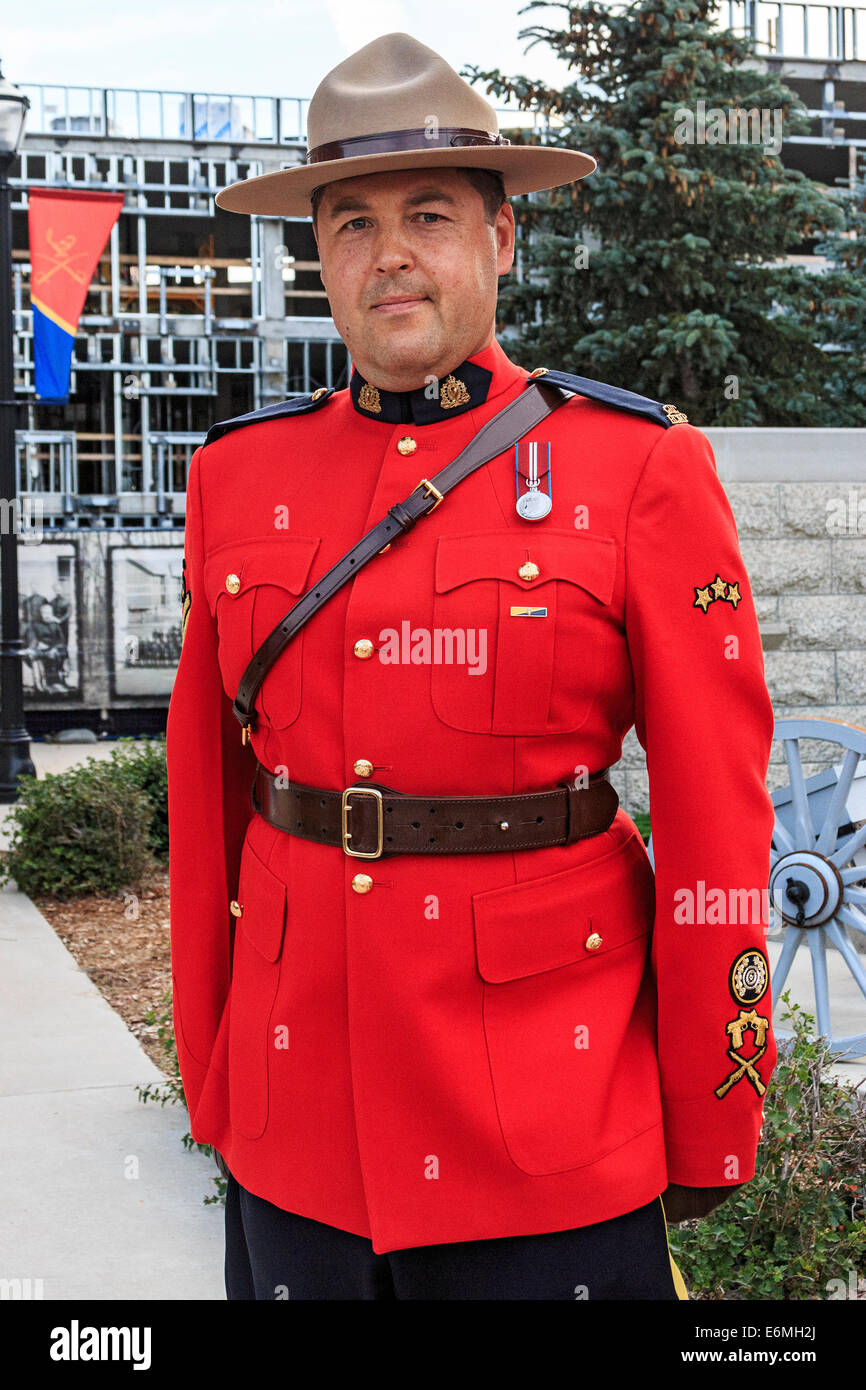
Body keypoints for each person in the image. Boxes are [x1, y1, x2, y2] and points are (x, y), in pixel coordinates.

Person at [166, 31, 777, 1301]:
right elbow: (206, 798)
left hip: (544, 1130)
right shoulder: (238, 478)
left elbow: (717, 814)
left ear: (502, 240)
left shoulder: (638, 470)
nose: (388, 254)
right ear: (317, 257)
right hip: (299, 1122)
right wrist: (217, 1073)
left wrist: (709, 1106)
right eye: (349, 224)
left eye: (429, 214)